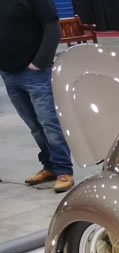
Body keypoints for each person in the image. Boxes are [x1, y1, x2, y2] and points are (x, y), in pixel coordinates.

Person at [0, 0, 74, 192]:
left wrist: (40, 62)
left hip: (35, 73)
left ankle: (64, 170)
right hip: (8, 74)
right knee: (34, 125)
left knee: (49, 123)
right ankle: (50, 166)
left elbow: (52, 26)